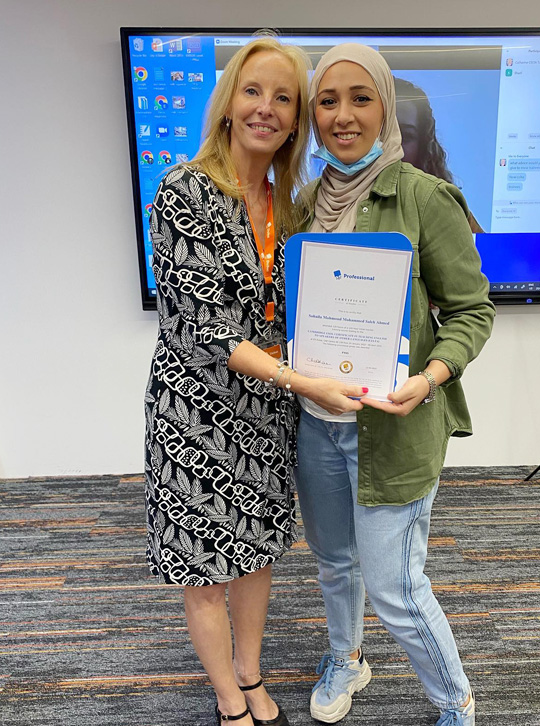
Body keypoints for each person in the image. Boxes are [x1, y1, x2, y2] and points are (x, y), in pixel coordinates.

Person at [144, 37, 367, 726]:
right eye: (252, 91)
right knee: (207, 565)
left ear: (296, 119)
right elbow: (202, 331)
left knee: (257, 554)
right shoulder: (184, 190)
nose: (265, 108)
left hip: (269, 414)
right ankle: (226, 697)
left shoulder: (290, 203)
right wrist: (303, 381)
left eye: (283, 97)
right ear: (228, 103)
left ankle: (251, 671)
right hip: (196, 416)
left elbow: (301, 311)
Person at [294, 44, 495, 726]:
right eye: (328, 100)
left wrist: (432, 376)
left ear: (385, 107)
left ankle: (456, 703)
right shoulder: (303, 204)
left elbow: (471, 311)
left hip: (396, 429)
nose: (343, 115)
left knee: (396, 586)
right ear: (314, 116)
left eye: (360, 98)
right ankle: (347, 659)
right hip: (317, 425)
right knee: (333, 563)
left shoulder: (423, 196)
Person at [394, 77, 484, 234]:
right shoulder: (341, 201)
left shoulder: (446, 205)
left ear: (422, 146)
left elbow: (487, 255)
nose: (391, 146)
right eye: (381, 134)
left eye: (405, 136)